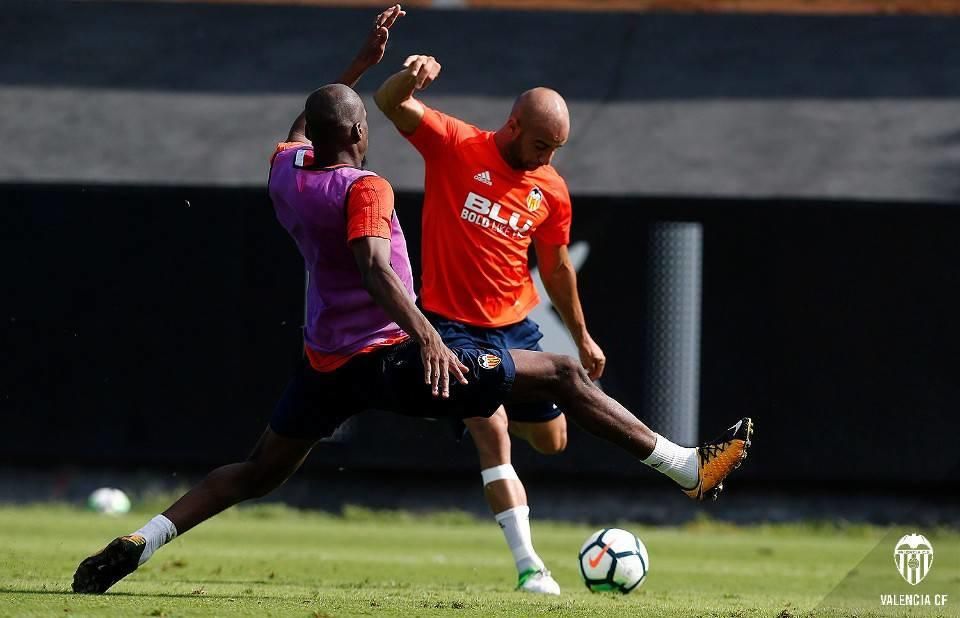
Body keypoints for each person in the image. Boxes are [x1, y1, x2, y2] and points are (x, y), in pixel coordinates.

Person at [72, 5, 753, 597]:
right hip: (399, 357)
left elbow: (308, 122)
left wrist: (359, 65)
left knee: (257, 472)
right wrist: (427, 337)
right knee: (565, 374)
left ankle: (142, 539)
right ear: (361, 138)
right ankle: (685, 467)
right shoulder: (366, 188)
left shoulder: (287, 173)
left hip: (323, 364)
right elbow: (374, 267)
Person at [374, 55, 602, 593]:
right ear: (515, 125)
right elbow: (389, 103)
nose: (547, 158)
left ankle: (470, 408)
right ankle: (530, 567)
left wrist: (582, 335)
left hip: (516, 327)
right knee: (492, 430)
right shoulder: (455, 144)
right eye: (542, 144)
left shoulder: (551, 188)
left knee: (551, 440)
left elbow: (557, 267)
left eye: (556, 150)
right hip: (452, 326)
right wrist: (411, 78)